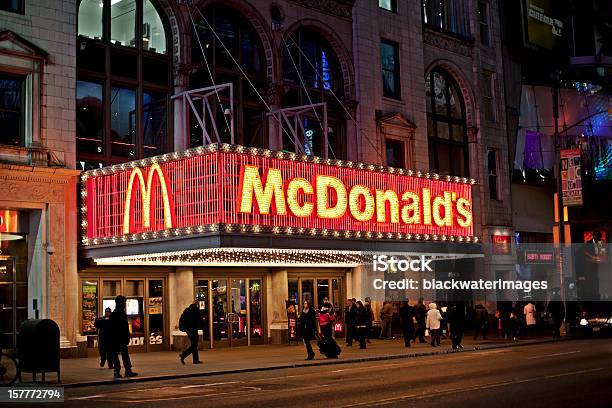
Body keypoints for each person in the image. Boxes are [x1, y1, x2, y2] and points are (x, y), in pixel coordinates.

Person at [108, 295, 138, 379]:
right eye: (124, 302)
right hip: (119, 338)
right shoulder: (119, 313)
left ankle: (119, 371)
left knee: (119, 355)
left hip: (116, 339)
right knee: (123, 355)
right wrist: (126, 337)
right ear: (120, 303)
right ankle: (124, 371)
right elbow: (123, 328)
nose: (125, 304)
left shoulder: (115, 313)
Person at [179, 299, 203, 365]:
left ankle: (195, 360)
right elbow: (198, 320)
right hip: (193, 329)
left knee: (194, 345)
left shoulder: (187, 310)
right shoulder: (196, 311)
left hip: (188, 330)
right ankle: (183, 355)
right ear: (197, 305)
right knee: (194, 345)